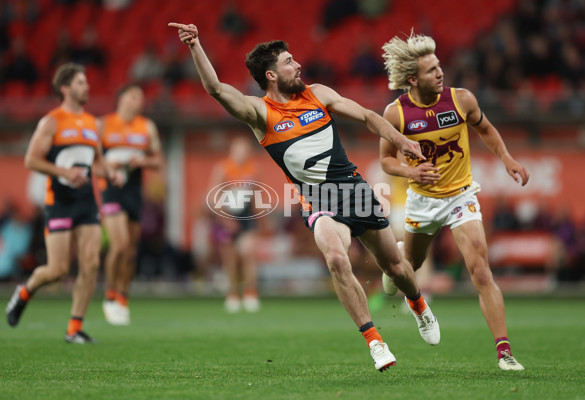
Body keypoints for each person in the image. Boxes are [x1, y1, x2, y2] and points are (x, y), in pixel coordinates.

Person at [168, 22, 440, 372]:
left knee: (396, 267)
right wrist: (195, 45)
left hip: (355, 191)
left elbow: (369, 117)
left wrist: (402, 141)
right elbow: (216, 89)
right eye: (288, 61)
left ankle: (418, 305)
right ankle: (375, 342)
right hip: (319, 202)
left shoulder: (318, 94)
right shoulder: (260, 114)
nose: (297, 65)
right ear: (270, 74)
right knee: (337, 259)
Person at [379, 32, 530, 371]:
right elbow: (386, 161)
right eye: (431, 69)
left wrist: (507, 158)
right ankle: (398, 265)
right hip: (422, 201)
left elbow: (486, 130)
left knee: (480, 271)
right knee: (409, 268)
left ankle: (504, 352)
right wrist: (411, 173)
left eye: (439, 66)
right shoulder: (395, 114)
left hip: (461, 195)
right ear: (412, 79)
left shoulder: (462, 100)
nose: (440, 72)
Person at [5, 62, 123, 343]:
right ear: (65, 88)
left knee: (91, 263)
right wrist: (63, 173)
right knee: (57, 270)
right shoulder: (52, 121)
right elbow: (31, 160)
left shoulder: (93, 123)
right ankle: (24, 292)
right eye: (81, 83)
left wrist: (111, 173)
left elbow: (97, 163)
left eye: (86, 82)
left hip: (86, 201)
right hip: (59, 201)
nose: (87, 87)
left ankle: (74, 328)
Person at [99, 84, 163, 325]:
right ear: (121, 98)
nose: (138, 101)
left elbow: (158, 161)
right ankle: (109, 295)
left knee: (130, 251)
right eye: (133, 96)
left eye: (141, 98)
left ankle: (122, 297)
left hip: (134, 192)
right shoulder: (103, 124)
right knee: (119, 244)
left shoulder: (147, 127)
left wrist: (142, 161)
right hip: (111, 191)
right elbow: (94, 160)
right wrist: (108, 168)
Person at [207, 136, 260, 313]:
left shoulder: (252, 169)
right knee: (229, 259)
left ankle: (250, 292)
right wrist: (226, 219)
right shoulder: (223, 168)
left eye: (245, 150)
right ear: (232, 151)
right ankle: (232, 294)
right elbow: (214, 195)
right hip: (226, 216)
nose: (242, 153)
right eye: (238, 149)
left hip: (246, 216)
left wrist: (258, 217)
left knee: (248, 253)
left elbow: (256, 195)